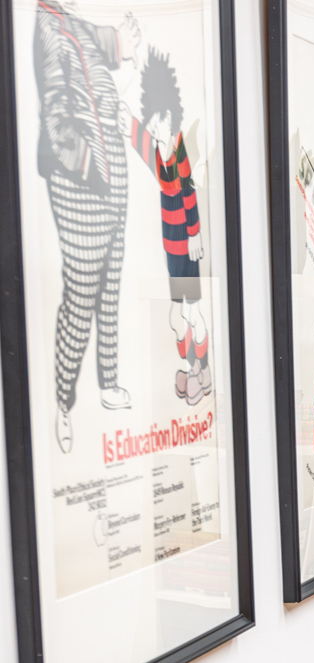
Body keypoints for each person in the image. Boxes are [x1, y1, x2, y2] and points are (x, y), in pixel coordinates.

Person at [35, 3, 141, 452]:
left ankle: (108, 379)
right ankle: (61, 401)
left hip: (110, 170)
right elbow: (55, 114)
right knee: (81, 291)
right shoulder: (46, 25)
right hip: (81, 179)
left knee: (110, 280)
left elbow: (101, 40)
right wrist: (89, 168)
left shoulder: (70, 21)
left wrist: (122, 39)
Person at [119, 46, 210, 405]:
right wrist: (127, 118)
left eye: (161, 122)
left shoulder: (178, 153)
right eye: (154, 123)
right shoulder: (161, 153)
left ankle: (196, 369)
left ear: (170, 118)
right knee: (181, 315)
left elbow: (186, 193)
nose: (157, 130)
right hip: (173, 247)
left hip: (186, 247)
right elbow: (143, 144)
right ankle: (195, 368)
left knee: (187, 312)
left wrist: (194, 233)